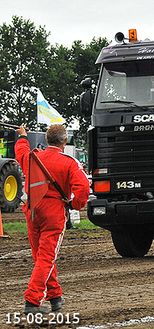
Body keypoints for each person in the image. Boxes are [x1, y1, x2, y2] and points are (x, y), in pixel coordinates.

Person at [15, 124, 90, 315]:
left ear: (46, 140)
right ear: (65, 142)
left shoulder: (34, 158)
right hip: (54, 212)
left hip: (33, 209)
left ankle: (55, 296)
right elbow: (83, 188)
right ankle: (32, 301)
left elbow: (21, 153)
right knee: (47, 257)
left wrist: (23, 136)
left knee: (40, 257)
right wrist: (74, 205)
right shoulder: (70, 162)